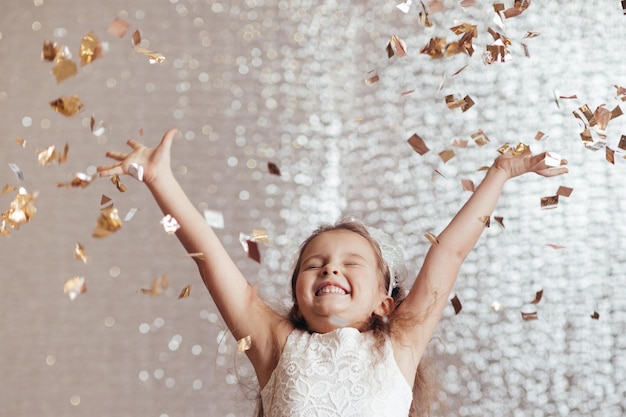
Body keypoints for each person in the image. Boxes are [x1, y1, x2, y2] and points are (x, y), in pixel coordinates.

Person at [97, 129, 568, 417]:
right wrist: (160, 181)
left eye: (351, 263)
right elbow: (209, 257)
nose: (331, 269)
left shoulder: (400, 343)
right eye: (315, 264)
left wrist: (500, 173)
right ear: (298, 294)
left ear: (385, 301)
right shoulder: (277, 345)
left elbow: (449, 254)